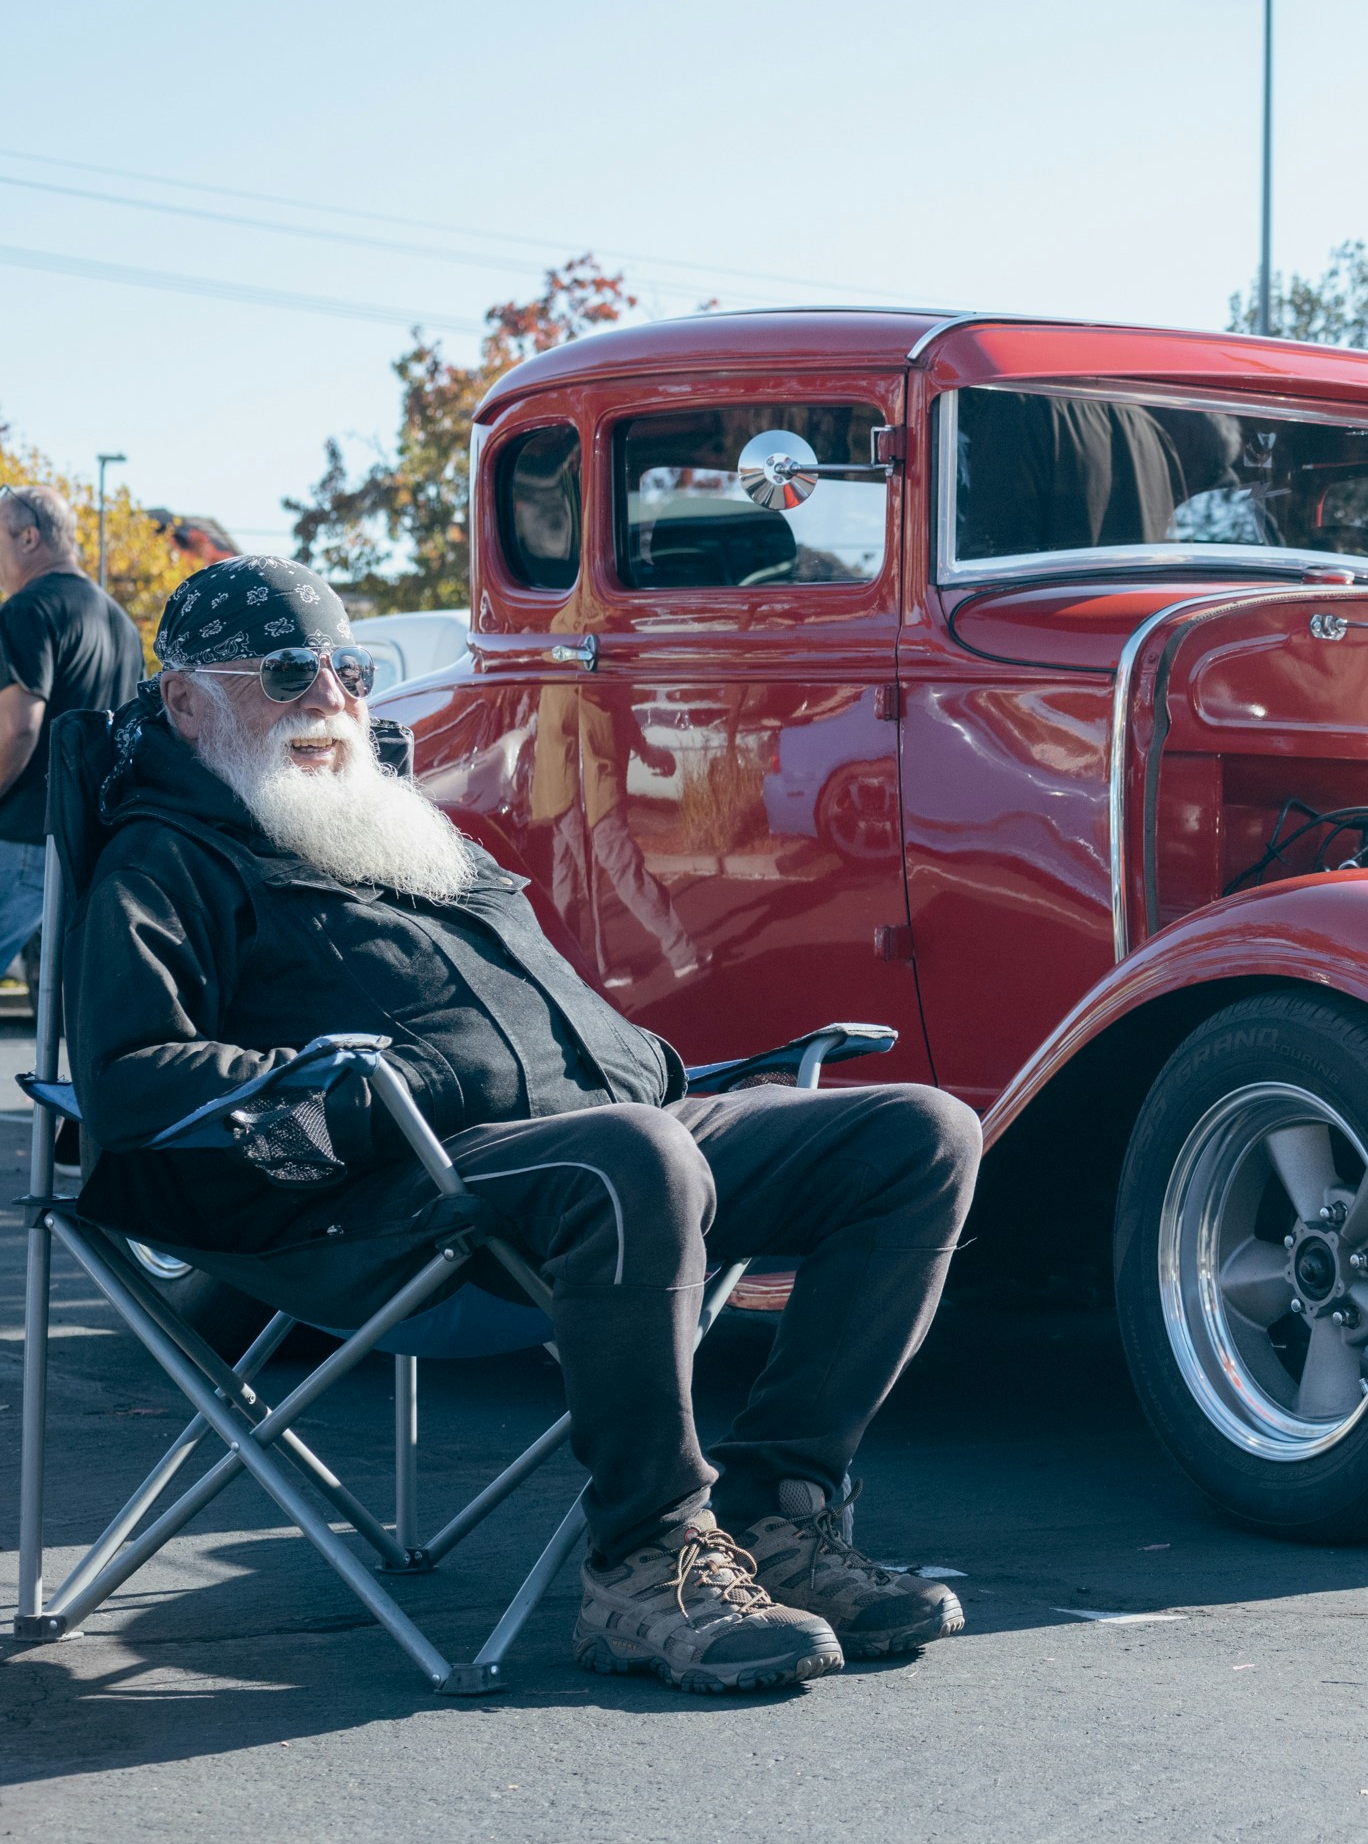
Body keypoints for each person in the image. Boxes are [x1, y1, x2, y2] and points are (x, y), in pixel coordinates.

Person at [68, 556, 979, 1695]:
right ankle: (646, 1560)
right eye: (288, 672)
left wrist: (655, 1067)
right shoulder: (167, 858)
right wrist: (358, 1092)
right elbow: (129, 1076)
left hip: (595, 1136)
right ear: (187, 702)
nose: (330, 698)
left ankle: (779, 1515)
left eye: (348, 669)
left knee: (919, 1134)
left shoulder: (403, 837)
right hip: (384, 1197)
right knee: (634, 1159)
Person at [0, 484, 144, 975]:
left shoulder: (26, 609)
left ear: (28, 538)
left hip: (21, 838)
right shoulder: (124, 626)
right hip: (87, 844)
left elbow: (18, 728)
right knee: (60, 1000)